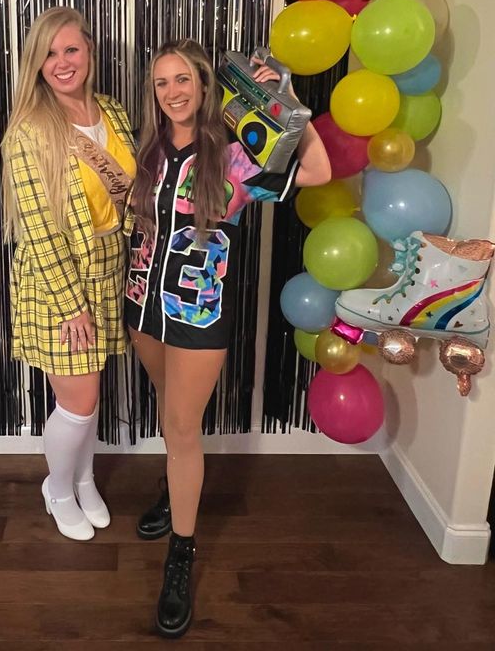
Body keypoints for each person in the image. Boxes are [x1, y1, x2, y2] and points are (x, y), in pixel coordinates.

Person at [125, 40, 331, 638]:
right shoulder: (148, 148)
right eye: (162, 83)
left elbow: (317, 171)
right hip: (142, 303)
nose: (173, 92)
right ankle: (173, 491)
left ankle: (181, 555)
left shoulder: (239, 152)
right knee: (169, 417)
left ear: (204, 83)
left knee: (184, 427)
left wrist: (287, 101)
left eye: (183, 79)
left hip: (197, 312)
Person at [2, 6, 136, 542]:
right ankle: (57, 489)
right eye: (50, 53)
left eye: (71, 50)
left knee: (91, 392)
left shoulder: (113, 111)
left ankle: (84, 478)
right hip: (59, 285)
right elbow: (38, 229)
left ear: (89, 53)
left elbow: (132, 193)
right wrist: (71, 304)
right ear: (36, 64)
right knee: (77, 404)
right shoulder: (29, 133)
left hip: (110, 273)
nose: (62, 62)